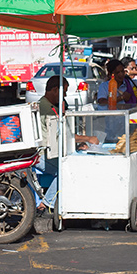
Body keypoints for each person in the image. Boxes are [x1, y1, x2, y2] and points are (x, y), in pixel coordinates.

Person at [37, 76, 98, 213]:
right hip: (42, 155)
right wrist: (88, 138)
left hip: (52, 150)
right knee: (66, 170)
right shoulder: (46, 108)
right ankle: (46, 204)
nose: (65, 95)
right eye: (64, 91)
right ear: (54, 90)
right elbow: (62, 135)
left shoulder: (51, 105)